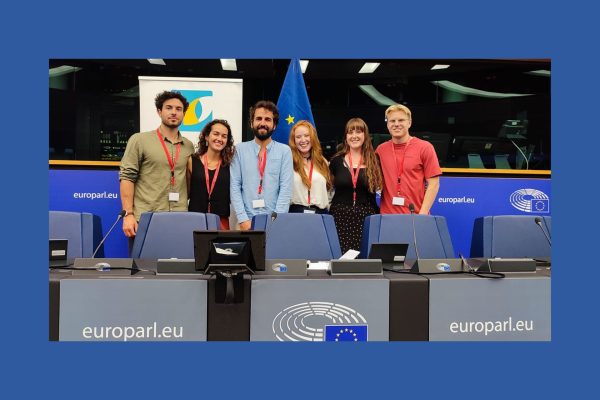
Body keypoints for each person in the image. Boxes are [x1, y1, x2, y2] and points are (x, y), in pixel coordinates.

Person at [119, 91, 195, 241]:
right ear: (159, 111)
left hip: (179, 218)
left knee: (177, 263)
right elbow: (127, 177)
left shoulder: (188, 146)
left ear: (184, 114)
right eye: (169, 108)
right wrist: (128, 214)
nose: (174, 112)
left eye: (178, 109)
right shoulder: (139, 140)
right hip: (146, 218)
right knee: (143, 264)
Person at [230, 100, 293, 230]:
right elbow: (235, 186)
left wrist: (276, 219)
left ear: (274, 125)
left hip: (274, 222)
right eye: (258, 118)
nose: (263, 123)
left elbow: (286, 189)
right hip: (245, 222)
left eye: (268, 119)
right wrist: (243, 220)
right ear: (252, 123)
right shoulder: (239, 150)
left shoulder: (284, 151)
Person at [375, 104, 441, 215]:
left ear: (409, 123)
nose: (396, 124)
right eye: (392, 121)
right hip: (387, 218)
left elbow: (434, 184)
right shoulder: (380, 150)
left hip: (415, 217)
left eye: (401, 120)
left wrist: (423, 214)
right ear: (387, 124)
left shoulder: (424, 147)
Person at [329, 118, 382, 254]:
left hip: (366, 217)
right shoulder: (336, 161)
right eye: (350, 132)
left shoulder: (374, 160)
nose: (354, 136)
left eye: (358, 132)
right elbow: (327, 188)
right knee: (340, 258)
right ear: (346, 137)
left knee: (364, 259)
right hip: (339, 217)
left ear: (365, 135)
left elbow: (380, 187)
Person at [187, 119, 235, 229]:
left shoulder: (231, 164)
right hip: (195, 219)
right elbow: (187, 191)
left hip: (221, 222)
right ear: (206, 136)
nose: (219, 139)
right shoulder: (191, 161)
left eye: (224, 136)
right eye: (216, 134)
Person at [288, 120, 331, 214]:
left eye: (307, 136)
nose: (303, 140)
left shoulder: (322, 161)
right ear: (294, 141)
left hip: (321, 213)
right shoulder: (288, 162)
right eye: (298, 137)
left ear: (313, 138)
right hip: (296, 213)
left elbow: (329, 190)